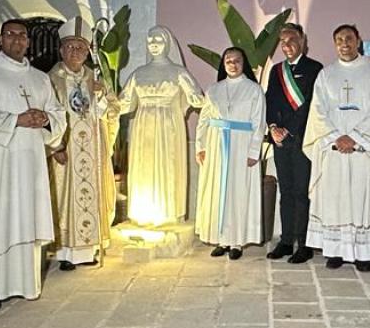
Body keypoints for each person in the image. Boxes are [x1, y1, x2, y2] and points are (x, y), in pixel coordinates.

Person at [0, 19, 64, 310]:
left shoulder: (40, 78)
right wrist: (16, 120)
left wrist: (46, 119)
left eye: (22, 35)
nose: (17, 40)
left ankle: (25, 284)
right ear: (0, 40)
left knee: (26, 217)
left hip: (31, 162)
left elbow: (57, 112)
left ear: (28, 42)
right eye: (10, 34)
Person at [303, 24, 370, 272]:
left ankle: (363, 254)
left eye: (349, 38)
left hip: (361, 151)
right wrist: (336, 137)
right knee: (335, 198)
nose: (344, 44)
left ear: (358, 40)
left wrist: (355, 138)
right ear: (334, 44)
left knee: (360, 198)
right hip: (334, 150)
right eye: (339, 40)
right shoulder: (326, 75)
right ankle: (335, 251)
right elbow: (317, 110)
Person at [47, 26, 119, 270]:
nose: (75, 52)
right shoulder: (51, 80)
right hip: (66, 148)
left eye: (80, 48)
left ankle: (89, 250)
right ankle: (65, 253)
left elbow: (111, 111)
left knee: (91, 197)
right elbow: (45, 114)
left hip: (91, 149)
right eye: (70, 47)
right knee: (64, 197)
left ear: (87, 52)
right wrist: (54, 147)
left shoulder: (95, 78)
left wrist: (101, 98)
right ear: (61, 50)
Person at [120, 25, 204, 226]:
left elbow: (197, 99)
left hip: (168, 126)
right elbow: (124, 103)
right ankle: (143, 213)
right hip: (143, 126)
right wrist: (102, 101)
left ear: (167, 43)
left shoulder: (178, 72)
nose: (153, 44)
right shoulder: (138, 74)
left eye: (158, 40)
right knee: (144, 165)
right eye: (150, 41)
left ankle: (168, 212)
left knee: (168, 165)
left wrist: (206, 101)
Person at [195, 47, 265, 258]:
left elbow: (259, 122)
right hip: (216, 146)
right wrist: (200, 147)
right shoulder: (214, 90)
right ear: (223, 64)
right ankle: (221, 239)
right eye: (228, 61)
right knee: (218, 192)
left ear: (243, 63)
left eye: (237, 60)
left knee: (237, 193)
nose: (233, 64)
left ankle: (236, 242)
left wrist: (254, 151)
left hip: (241, 147)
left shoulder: (253, 90)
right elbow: (204, 120)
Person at [265, 24, 323, 264]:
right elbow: (270, 101)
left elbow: (310, 105)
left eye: (292, 40)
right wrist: (272, 128)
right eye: (283, 41)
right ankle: (286, 241)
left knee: (301, 192)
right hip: (280, 142)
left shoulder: (315, 69)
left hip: (302, 140)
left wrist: (288, 130)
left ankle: (304, 243)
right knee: (286, 191)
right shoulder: (276, 70)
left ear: (303, 41)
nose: (287, 45)